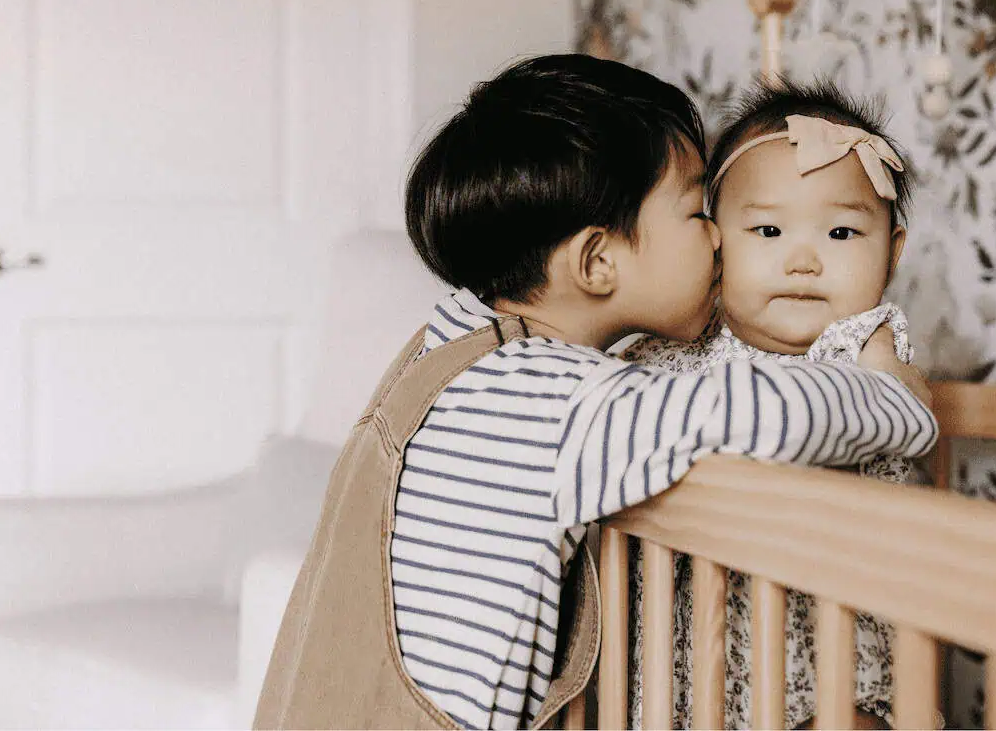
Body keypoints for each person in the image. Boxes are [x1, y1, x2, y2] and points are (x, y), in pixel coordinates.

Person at [254, 55, 937, 731]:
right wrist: (892, 394)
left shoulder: (444, 356)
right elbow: (774, 411)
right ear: (599, 261)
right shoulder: (568, 405)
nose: (719, 242)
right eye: (697, 212)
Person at [626, 77, 928, 728]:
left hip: (833, 658)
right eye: (767, 228)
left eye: (842, 233)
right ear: (714, 241)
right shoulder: (674, 347)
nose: (803, 260)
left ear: (893, 253)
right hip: (695, 661)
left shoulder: (864, 350)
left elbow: (903, 407)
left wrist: (887, 374)